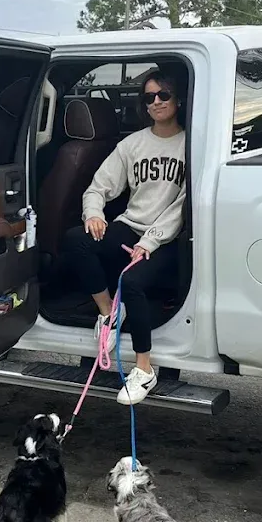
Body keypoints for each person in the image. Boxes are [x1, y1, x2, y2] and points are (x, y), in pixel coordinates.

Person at [62, 70, 186, 404]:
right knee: (76, 239)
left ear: (178, 99)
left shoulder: (191, 144)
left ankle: (144, 370)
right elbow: (98, 187)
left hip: (166, 240)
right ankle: (108, 312)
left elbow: (181, 205)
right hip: (129, 228)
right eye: (149, 97)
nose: (156, 102)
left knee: (131, 283)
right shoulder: (131, 145)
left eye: (163, 95)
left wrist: (150, 242)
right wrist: (94, 215)